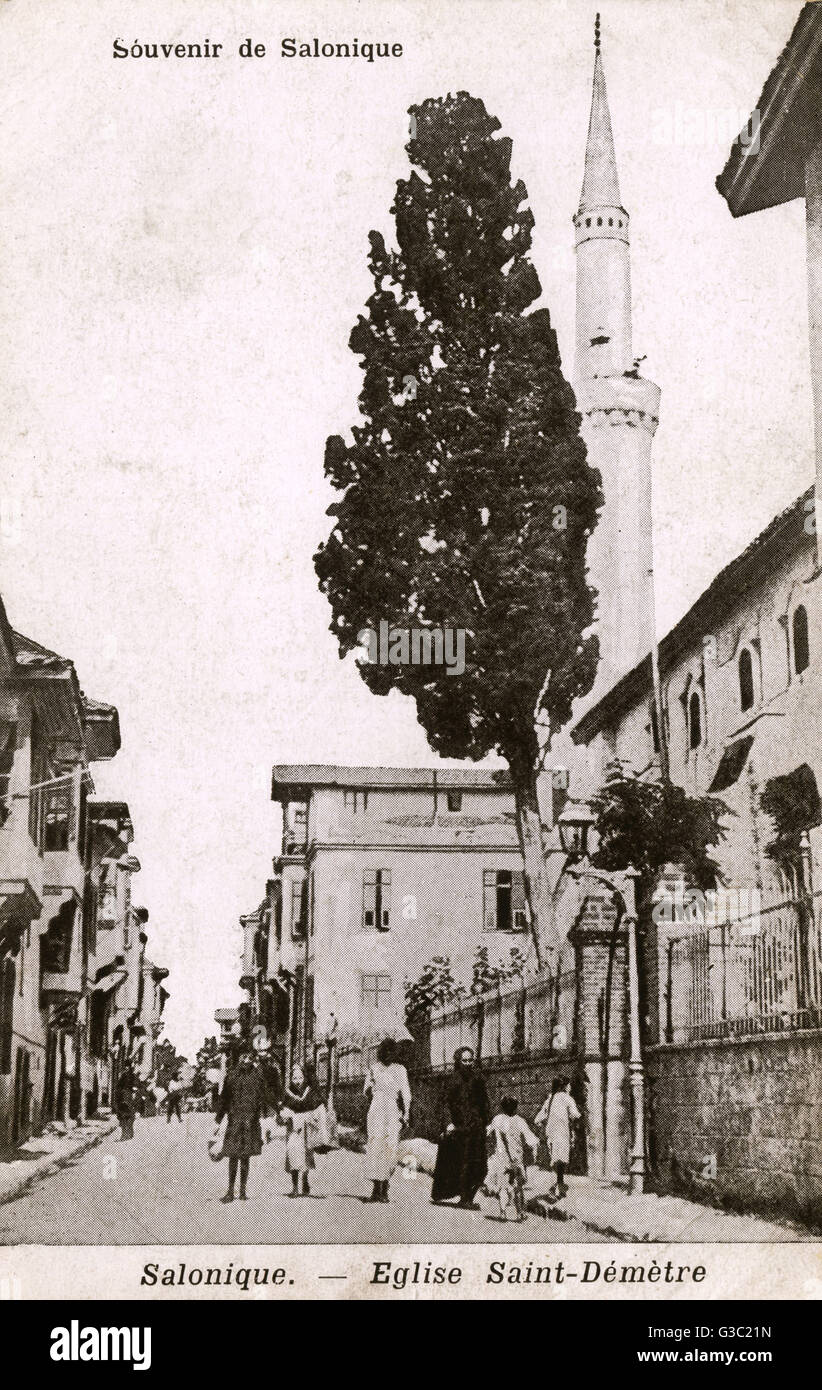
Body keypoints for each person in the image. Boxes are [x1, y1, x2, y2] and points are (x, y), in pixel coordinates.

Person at [431, 1046, 491, 1210]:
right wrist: (448, 1123)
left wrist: (488, 1121)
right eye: (464, 1060)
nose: (468, 1063)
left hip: (476, 1127)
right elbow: (443, 1103)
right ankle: (465, 1199)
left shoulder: (478, 1078)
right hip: (459, 1128)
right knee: (463, 1164)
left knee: (481, 1166)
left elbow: (484, 1101)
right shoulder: (452, 1080)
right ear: (458, 1061)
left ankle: (468, 1197)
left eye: (470, 1060)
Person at [214, 1050, 270, 1203]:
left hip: (251, 1122)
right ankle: (231, 1191)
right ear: (238, 1058)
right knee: (233, 1156)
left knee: (245, 1157)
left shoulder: (258, 1077)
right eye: (243, 1056)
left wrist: (267, 1120)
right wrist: (218, 1121)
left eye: (249, 1057)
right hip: (235, 1121)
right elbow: (224, 1099)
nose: (246, 1060)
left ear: (253, 1059)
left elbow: (264, 1098)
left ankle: (243, 1191)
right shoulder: (231, 1076)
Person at [363, 1038, 411, 1203]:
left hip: (392, 1111)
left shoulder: (400, 1070)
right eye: (386, 1052)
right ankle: (376, 1189)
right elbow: (366, 1092)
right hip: (376, 1111)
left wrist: (406, 1114)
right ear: (381, 1052)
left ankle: (385, 1186)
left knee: (390, 1147)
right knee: (376, 1146)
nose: (389, 1055)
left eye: (392, 1052)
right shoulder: (374, 1068)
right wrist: (371, 1087)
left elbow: (406, 1094)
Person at [486, 1097, 539, 1222]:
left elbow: (487, 1132)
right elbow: (530, 1138)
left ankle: (503, 1212)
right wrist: (534, 1150)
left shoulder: (497, 1119)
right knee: (518, 1187)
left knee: (503, 1187)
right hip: (516, 1159)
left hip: (502, 1158)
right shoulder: (520, 1121)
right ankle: (520, 1213)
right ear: (515, 1108)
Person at [280, 1063, 324, 1197]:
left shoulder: (309, 1091)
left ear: (304, 1077)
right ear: (291, 1079)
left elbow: (317, 1106)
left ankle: (305, 1180)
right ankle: (294, 1187)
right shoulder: (287, 1093)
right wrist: (285, 1115)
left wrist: (313, 1116)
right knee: (293, 1153)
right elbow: (282, 1110)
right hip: (293, 1128)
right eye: (294, 1078)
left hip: (306, 1127)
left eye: (300, 1078)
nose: (297, 1081)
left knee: (306, 1155)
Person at [535, 1076, 580, 1199]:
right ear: (564, 1086)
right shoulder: (567, 1098)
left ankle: (558, 1184)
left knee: (556, 1160)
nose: (569, 1087)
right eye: (568, 1085)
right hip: (563, 1133)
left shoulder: (550, 1099)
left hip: (551, 1134)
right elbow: (575, 1115)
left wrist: (542, 1124)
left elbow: (538, 1118)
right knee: (561, 1160)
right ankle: (559, 1185)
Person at [114, 1070, 138, 1141]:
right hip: (126, 1102)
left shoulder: (121, 1087)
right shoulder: (130, 1088)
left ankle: (125, 1135)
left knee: (124, 1118)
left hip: (123, 1103)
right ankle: (128, 1134)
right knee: (128, 1118)